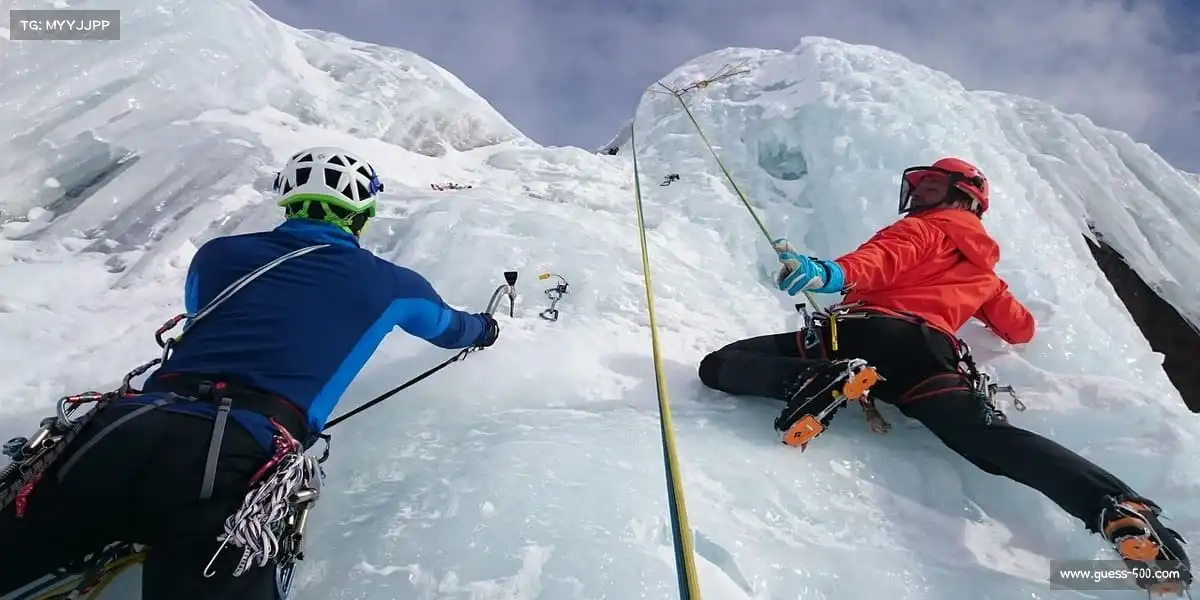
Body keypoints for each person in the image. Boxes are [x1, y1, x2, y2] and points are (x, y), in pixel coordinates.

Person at [0, 146, 500, 599]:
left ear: (287, 199)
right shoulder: (392, 284)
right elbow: (449, 328)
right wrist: (489, 329)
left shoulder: (219, 255)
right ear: (364, 215)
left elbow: (202, 315)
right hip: (243, 452)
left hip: (124, 427)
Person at [697, 157, 1192, 595]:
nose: (920, 196)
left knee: (720, 363)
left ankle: (811, 381)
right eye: (920, 187)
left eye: (932, 187)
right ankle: (1118, 509)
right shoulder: (985, 272)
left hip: (859, 336)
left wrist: (829, 274)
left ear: (963, 195)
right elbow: (1019, 328)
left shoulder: (924, 228)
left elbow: (878, 261)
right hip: (928, 356)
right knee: (988, 439)